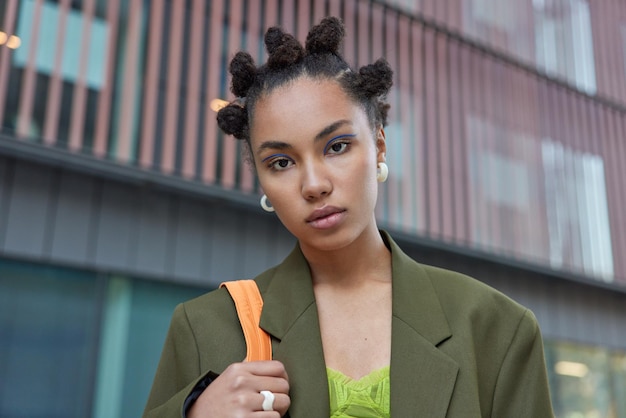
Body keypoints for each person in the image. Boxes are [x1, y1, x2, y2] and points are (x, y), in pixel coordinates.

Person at [142, 16, 554, 418]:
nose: (314, 184)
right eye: (281, 162)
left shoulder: (496, 328)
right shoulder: (206, 326)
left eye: (337, 146)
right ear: (262, 181)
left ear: (378, 147)